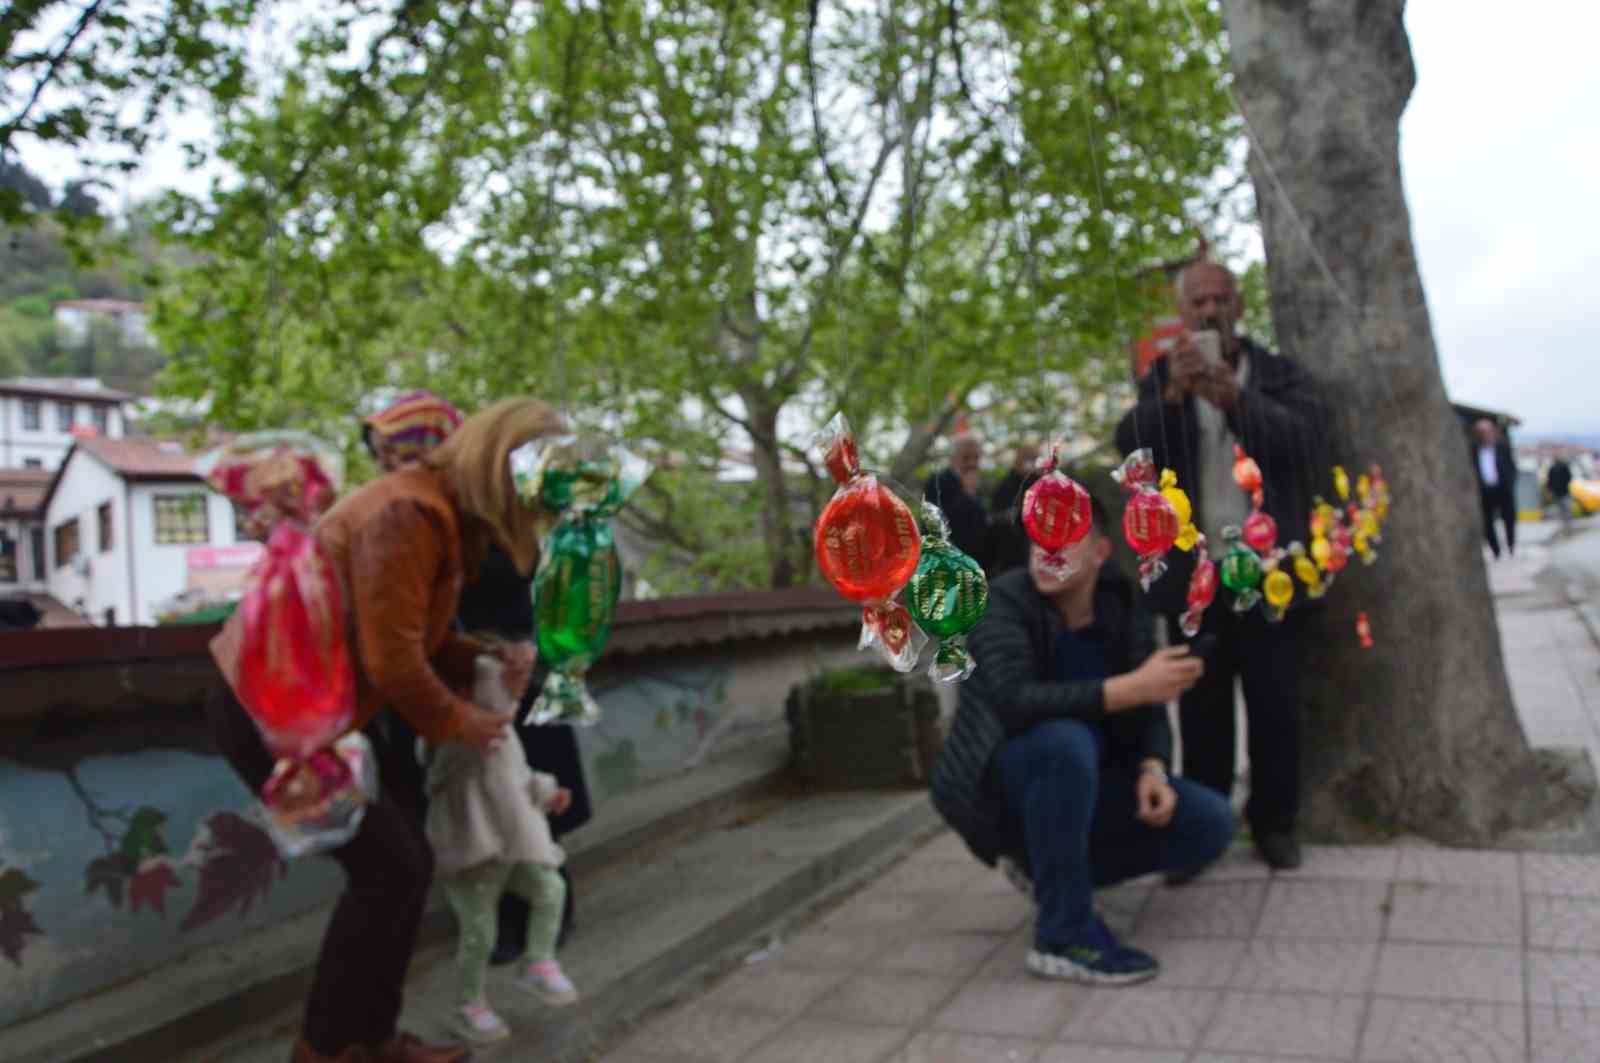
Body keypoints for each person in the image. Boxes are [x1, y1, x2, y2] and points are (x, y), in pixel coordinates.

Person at [205, 398, 564, 1063]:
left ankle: (369, 1038)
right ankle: (328, 1047)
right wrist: (469, 723)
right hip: (269, 710)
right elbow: (392, 660)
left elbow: (412, 636)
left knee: (401, 866)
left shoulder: (436, 516)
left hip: (309, 711)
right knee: (388, 869)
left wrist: (482, 656)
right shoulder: (410, 512)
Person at [930, 497, 1234, 984]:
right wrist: (1124, 689)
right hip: (1002, 786)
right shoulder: (1000, 602)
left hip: (1089, 781)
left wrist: (1153, 768)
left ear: (1099, 551)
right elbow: (1012, 701)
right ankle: (1063, 936)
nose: (1045, 552)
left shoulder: (1123, 604)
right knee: (1064, 743)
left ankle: (1052, 877)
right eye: (1037, 539)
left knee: (1210, 823)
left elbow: (1150, 700)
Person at [1114, 260, 1327, 874]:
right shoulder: (1162, 378)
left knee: (1275, 707)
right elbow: (1130, 449)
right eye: (1197, 304)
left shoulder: (1277, 375)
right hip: (1194, 583)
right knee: (1201, 713)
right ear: (1184, 316)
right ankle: (1202, 832)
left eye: (1219, 301)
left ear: (1238, 306)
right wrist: (1176, 396)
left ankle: (1274, 825)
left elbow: (1303, 444)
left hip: (1271, 576)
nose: (1209, 312)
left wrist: (1233, 397)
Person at [425, 651, 580, 1044]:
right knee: (480, 932)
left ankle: (538, 960)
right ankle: (468, 1003)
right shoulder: (450, 741)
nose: (515, 695)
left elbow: (517, 778)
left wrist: (547, 793)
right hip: (473, 850)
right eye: (504, 685)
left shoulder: (505, 732)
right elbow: (454, 769)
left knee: (551, 889)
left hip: (513, 841)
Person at [455, 541, 593, 965]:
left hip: (527, 681)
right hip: (473, 684)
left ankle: (549, 910)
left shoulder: (520, 529)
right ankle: (508, 919)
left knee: (538, 805)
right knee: (493, 807)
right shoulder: (443, 528)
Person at [925, 433, 989, 565]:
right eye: (966, 458)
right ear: (953, 459)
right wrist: (967, 494)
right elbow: (937, 523)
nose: (972, 463)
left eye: (976, 458)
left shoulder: (980, 483)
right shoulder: (937, 481)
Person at [985, 442, 1041, 577]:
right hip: (1012, 555)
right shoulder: (1005, 487)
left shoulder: (1039, 482)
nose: (1032, 463)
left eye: (1035, 459)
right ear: (1018, 460)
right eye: (1029, 458)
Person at [1471, 419, 1518, 559]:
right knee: (1487, 522)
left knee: (1509, 518)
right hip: (1485, 490)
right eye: (1481, 432)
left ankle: (1510, 546)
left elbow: (1511, 467)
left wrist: (1509, 483)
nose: (1485, 435)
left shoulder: (1502, 447)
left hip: (1503, 488)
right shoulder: (1474, 450)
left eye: (1487, 431)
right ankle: (1496, 551)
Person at [1548, 456, 1574, 534]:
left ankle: (1567, 524)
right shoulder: (1553, 469)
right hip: (1559, 492)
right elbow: (1549, 480)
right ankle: (1565, 523)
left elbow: (1569, 477)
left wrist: (1551, 488)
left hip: (1562, 491)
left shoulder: (1561, 468)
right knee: (1563, 508)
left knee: (1565, 508)